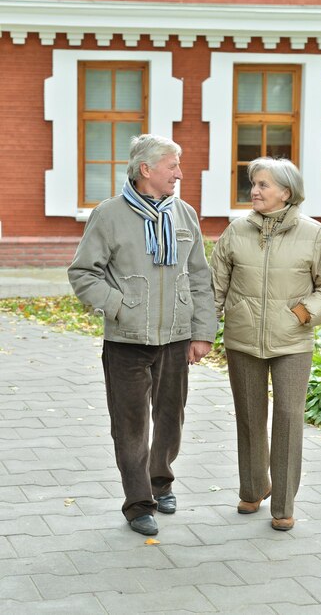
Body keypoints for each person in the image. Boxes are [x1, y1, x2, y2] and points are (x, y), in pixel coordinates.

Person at [68, 134, 217, 536]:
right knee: (131, 424)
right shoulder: (109, 214)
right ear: (146, 169)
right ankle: (138, 504)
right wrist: (119, 305)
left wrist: (202, 332)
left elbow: (201, 277)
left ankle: (160, 482)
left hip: (175, 337)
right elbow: (82, 273)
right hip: (126, 342)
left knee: (171, 418)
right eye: (173, 166)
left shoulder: (184, 214)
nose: (180, 174)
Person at [211, 157, 321, 531]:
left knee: (288, 418)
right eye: (253, 184)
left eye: (263, 185)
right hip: (243, 341)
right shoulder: (235, 231)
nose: (254, 191)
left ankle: (284, 504)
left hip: (292, 343)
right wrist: (204, 330)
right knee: (250, 417)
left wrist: (304, 314)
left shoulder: (314, 234)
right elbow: (215, 286)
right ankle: (254, 488)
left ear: (286, 193)